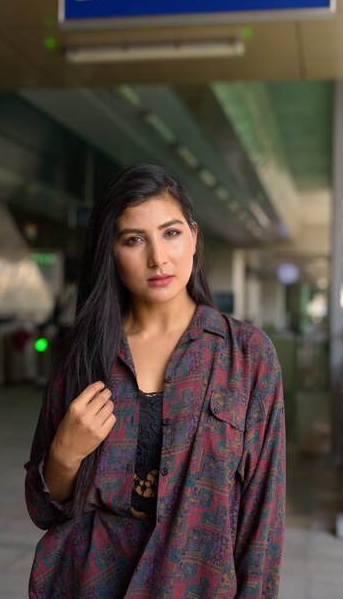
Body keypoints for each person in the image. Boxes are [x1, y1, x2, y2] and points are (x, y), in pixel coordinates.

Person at [25, 163, 286, 598]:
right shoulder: (85, 354)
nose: (158, 258)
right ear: (111, 250)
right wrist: (65, 454)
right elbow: (41, 505)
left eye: (171, 233)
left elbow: (265, 519)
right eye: (134, 239)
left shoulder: (247, 356)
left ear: (194, 237)